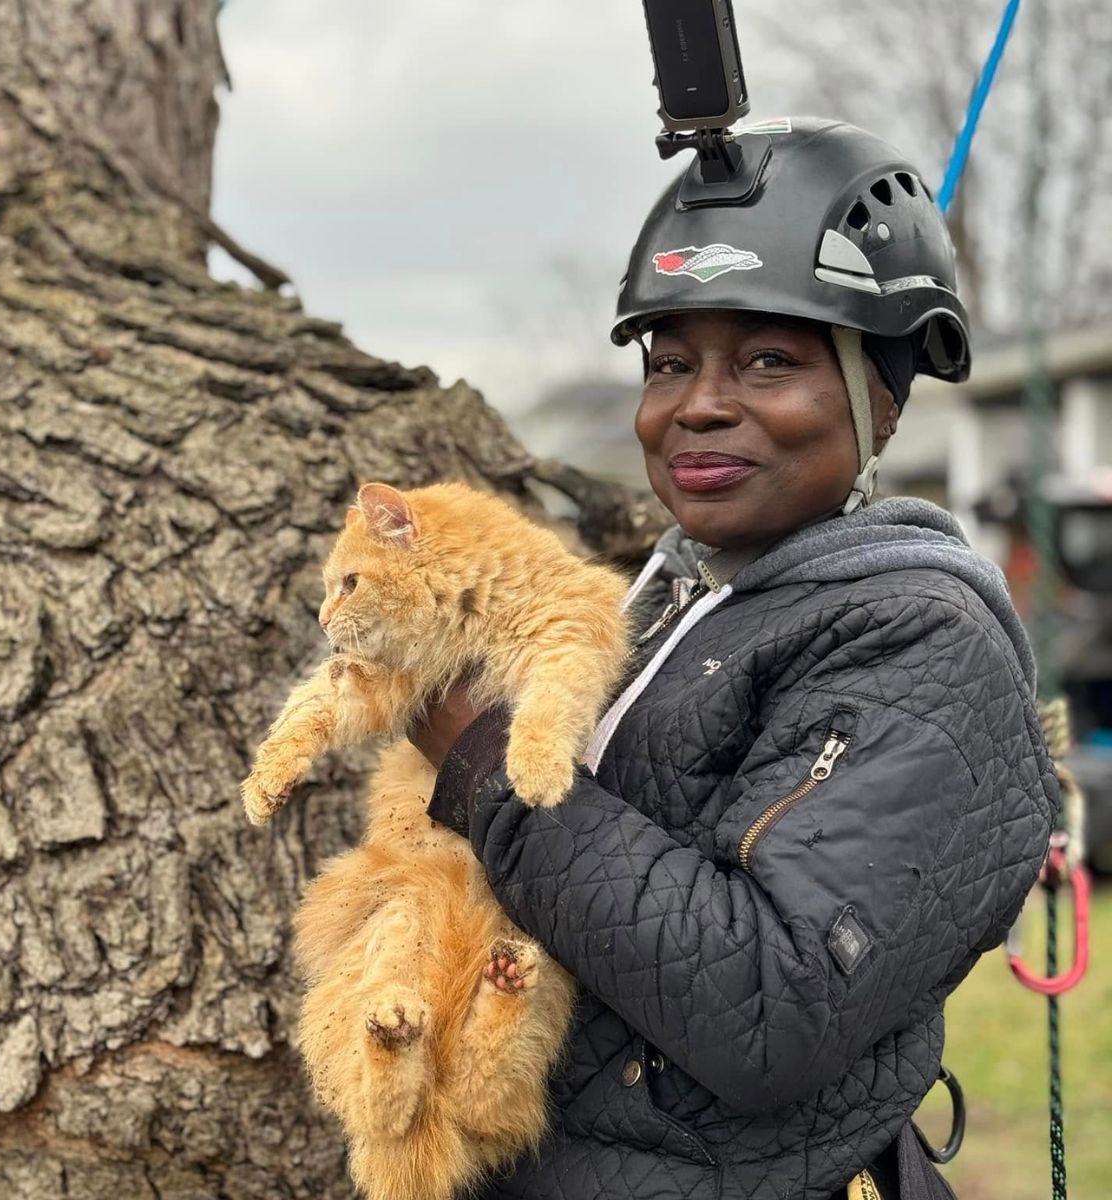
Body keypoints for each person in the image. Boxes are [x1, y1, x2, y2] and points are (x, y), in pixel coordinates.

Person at [409, 118, 1058, 1200]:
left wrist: (485, 764)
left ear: (879, 399)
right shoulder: (671, 600)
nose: (699, 404)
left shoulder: (917, 642)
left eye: (770, 359)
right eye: (670, 363)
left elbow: (769, 1006)